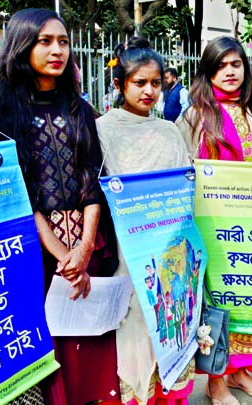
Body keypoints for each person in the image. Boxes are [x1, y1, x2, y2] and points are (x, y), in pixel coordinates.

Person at [0, 8, 120, 404]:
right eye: (45, 41)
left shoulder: (81, 109)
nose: (57, 50)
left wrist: (82, 250)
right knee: (50, 350)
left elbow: (93, 180)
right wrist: (64, 256)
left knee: (92, 347)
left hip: (87, 242)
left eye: (62, 41)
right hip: (36, 253)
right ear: (22, 45)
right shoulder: (0, 116)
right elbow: (19, 194)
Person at [179, 36, 252, 403]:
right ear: (208, 72)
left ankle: (241, 374)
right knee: (220, 305)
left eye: (236, 64)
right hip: (215, 228)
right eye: (220, 66)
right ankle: (216, 380)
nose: (229, 72)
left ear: (245, 69)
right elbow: (182, 169)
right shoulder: (195, 116)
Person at [97, 36, 195, 405]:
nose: (150, 90)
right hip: (127, 249)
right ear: (120, 84)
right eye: (140, 83)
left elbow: (184, 187)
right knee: (133, 323)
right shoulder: (103, 129)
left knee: (168, 317)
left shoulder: (170, 131)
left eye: (156, 83)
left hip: (169, 244)